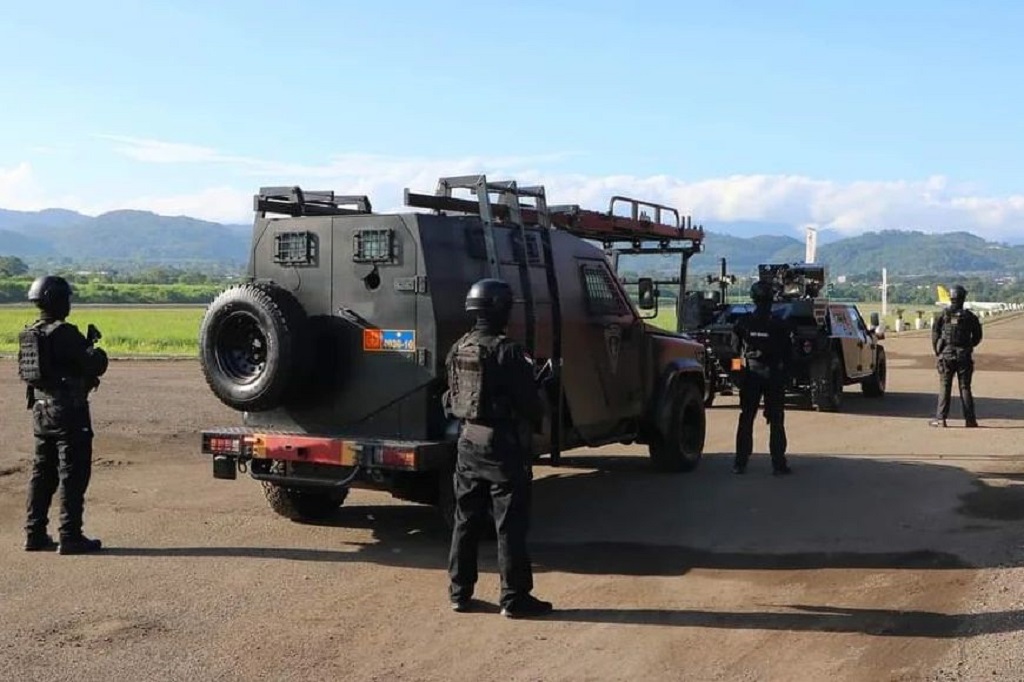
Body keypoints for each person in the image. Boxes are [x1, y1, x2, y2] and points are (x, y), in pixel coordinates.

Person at [443, 278, 552, 618]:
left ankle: (460, 593)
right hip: (503, 447)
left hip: (467, 443)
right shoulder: (509, 351)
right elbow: (531, 406)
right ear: (502, 309)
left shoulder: (459, 346)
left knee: (466, 520)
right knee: (510, 524)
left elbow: (451, 399)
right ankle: (515, 598)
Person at [18, 275, 108, 554]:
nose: (69, 304)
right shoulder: (65, 333)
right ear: (57, 300)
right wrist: (96, 351)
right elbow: (93, 364)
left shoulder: (31, 333)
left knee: (42, 473)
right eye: (66, 298)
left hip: (41, 411)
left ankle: (35, 533)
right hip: (68, 412)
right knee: (73, 472)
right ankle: (70, 535)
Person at [732, 280, 793, 475]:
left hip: (751, 375)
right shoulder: (780, 324)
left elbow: (734, 353)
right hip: (773, 375)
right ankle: (778, 464)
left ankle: (740, 463)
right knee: (776, 421)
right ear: (771, 300)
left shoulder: (743, 323)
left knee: (746, 419)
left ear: (753, 298)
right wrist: (785, 376)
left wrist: (737, 373)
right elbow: (788, 355)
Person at [930, 285, 982, 428]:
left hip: (946, 355)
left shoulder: (943, 315)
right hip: (964, 356)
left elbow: (935, 335)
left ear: (951, 298)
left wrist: (938, 351)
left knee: (945, 386)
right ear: (963, 298)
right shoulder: (970, 317)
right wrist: (968, 346)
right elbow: (978, 337)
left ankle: (941, 419)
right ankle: (970, 420)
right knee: (965, 387)